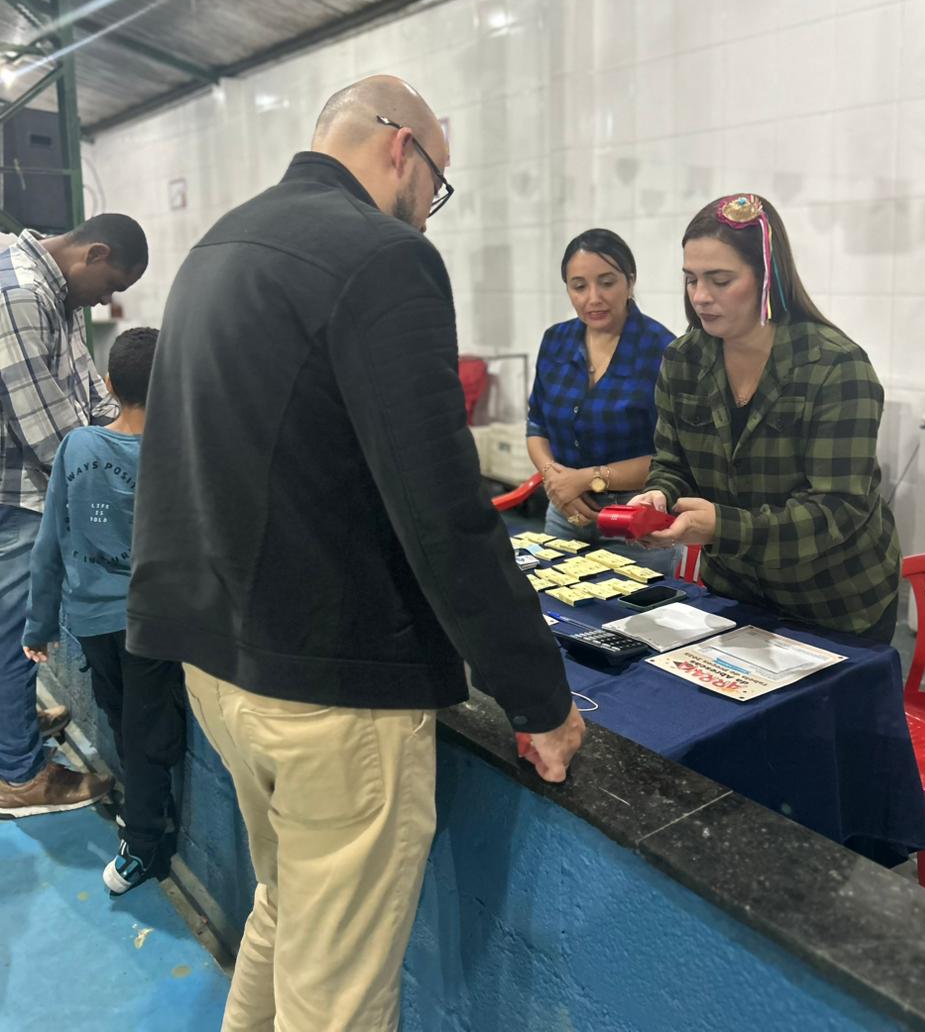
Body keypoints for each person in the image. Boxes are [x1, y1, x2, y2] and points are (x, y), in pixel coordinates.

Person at [126, 75, 584, 1032]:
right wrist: (538, 698)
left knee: (283, 912)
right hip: (330, 690)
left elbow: (182, 453)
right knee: (337, 1000)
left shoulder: (219, 247)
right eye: (436, 186)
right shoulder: (382, 257)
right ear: (400, 147)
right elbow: (442, 507)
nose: (427, 211)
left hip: (219, 665)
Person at [629, 193, 900, 642]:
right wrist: (659, 495)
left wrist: (722, 527)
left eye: (720, 280)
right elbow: (673, 463)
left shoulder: (834, 367)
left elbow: (838, 509)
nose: (700, 296)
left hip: (833, 600)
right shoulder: (683, 361)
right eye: (691, 279)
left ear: (768, 278)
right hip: (735, 590)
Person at [22, 326, 185, 894]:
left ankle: (145, 830)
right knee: (146, 729)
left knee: (124, 719)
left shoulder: (77, 447)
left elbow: (50, 542)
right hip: (151, 623)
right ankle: (147, 840)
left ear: (109, 384)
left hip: (91, 622)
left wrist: (39, 624)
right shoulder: (177, 454)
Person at [0, 214, 148, 818]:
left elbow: (91, 390)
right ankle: (18, 773)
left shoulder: (54, 289)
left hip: (25, 480)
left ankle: (10, 723)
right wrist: (113, 479)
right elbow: (44, 430)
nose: (109, 300)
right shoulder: (19, 292)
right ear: (95, 253)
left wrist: (129, 430)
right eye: (112, 284)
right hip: (16, 490)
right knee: (17, 636)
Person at [526, 228, 675, 568]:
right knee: (553, 598)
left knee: (633, 603)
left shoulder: (663, 350)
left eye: (607, 283)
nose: (593, 298)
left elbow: (671, 458)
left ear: (630, 281)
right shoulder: (556, 341)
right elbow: (536, 426)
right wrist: (555, 479)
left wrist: (585, 478)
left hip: (636, 518)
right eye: (579, 286)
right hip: (565, 510)